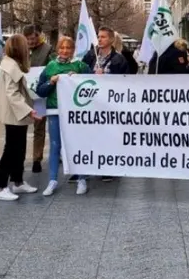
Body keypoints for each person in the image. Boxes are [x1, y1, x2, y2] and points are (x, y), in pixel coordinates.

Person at [36, 36, 91, 196]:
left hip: (76, 113)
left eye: (68, 48)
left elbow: (94, 84)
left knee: (77, 144)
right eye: (62, 48)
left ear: (73, 49)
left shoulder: (81, 66)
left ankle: (81, 178)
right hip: (55, 111)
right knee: (55, 146)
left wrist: (80, 78)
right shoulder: (50, 67)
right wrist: (50, 83)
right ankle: (52, 180)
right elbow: (40, 91)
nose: (65, 51)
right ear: (57, 49)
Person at [0, 35, 40, 201]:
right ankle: (0, 185)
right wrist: (28, 110)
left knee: (18, 148)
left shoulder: (9, 64)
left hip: (16, 114)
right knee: (12, 149)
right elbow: (12, 93)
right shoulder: (10, 67)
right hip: (15, 114)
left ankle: (17, 181)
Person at [82, 26, 128, 182]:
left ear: (111, 40)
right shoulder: (90, 56)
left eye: (103, 37)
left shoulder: (119, 59)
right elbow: (82, 73)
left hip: (110, 105)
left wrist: (106, 77)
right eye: (98, 36)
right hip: (92, 104)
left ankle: (109, 167)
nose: (99, 39)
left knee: (109, 136)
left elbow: (124, 81)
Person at [24, 24, 54, 174]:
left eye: (33, 38)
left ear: (39, 35)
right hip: (25, 93)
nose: (31, 42)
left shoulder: (48, 50)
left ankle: (37, 159)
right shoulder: (22, 50)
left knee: (39, 127)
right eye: (28, 39)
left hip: (40, 93)